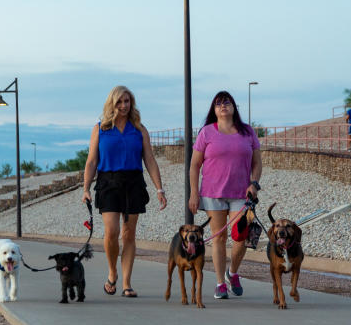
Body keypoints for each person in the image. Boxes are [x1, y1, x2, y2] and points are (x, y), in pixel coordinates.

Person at [81, 85, 168, 297]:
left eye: (127, 101)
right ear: (112, 104)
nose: (123, 106)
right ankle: (112, 273)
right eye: (119, 102)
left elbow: (149, 159)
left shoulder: (139, 129)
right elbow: (92, 161)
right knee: (111, 232)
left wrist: (159, 188)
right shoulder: (100, 128)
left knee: (128, 234)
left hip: (133, 182)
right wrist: (85, 188)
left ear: (132, 104)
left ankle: (127, 283)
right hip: (108, 182)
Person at [188, 90, 263, 300]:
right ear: (214, 109)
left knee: (241, 237)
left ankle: (233, 272)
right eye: (219, 103)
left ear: (233, 107)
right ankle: (220, 283)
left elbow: (257, 163)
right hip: (213, 192)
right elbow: (194, 165)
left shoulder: (247, 132)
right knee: (218, 237)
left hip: (242, 192)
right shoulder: (206, 133)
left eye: (227, 102)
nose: (223, 106)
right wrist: (194, 193)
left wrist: (254, 184)